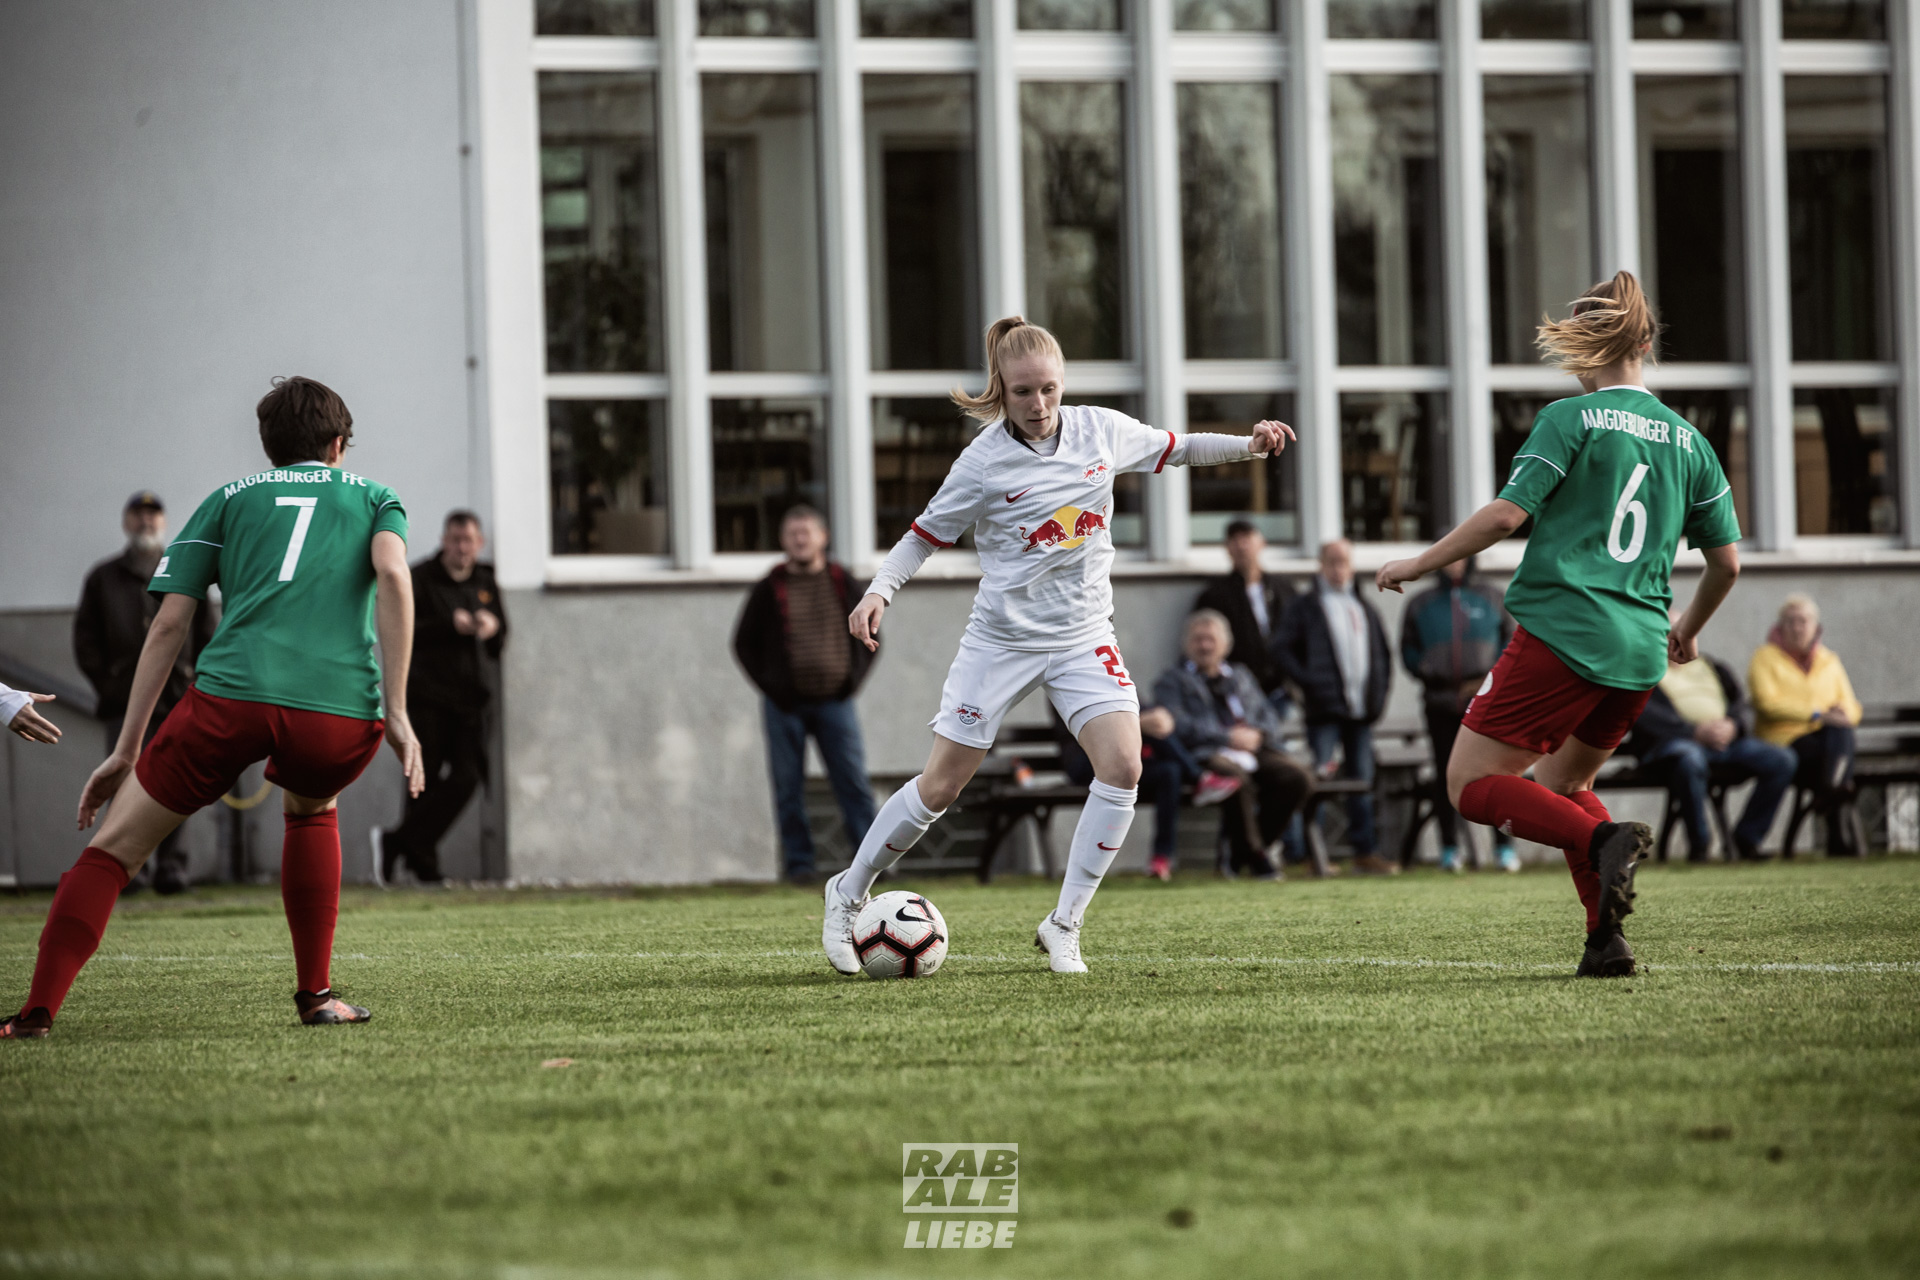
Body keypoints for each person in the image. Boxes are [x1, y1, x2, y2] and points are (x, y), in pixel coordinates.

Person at [824, 315, 1295, 974]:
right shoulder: (983, 461)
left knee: (1125, 767)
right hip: (1002, 640)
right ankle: (847, 893)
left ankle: (1064, 924)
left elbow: (1179, 447)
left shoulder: (1101, 430)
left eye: (1048, 389)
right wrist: (879, 591)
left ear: (1062, 383)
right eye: (1022, 392)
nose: (1038, 404)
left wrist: (1249, 445)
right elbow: (924, 535)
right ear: (1002, 391)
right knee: (940, 787)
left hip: (1082, 638)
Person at [2, 376, 425, 1040]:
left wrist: (125, 747)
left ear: (270, 448)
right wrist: (397, 711)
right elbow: (395, 576)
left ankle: (35, 1013)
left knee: (114, 849)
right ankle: (315, 995)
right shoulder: (376, 496)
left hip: (231, 697)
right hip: (337, 708)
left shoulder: (228, 499)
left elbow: (169, 625)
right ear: (339, 444)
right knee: (312, 812)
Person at [1376, 271, 1743, 979]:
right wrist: (1689, 629)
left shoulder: (1570, 420)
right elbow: (1726, 564)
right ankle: (1607, 942)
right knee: (1563, 784)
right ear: (1647, 344)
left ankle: (1605, 840)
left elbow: (1507, 515)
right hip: (1640, 652)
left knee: (1468, 783)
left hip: (1565, 631)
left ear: (1584, 349)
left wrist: (1420, 563)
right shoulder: (1690, 442)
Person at [73, 490, 216, 893]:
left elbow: (208, 630)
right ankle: (127, 866)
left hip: (177, 699)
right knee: (122, 780)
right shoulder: (103, 578)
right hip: (124, 702)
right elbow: (85, 640)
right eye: (138, 514)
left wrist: (196, 682)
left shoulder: (184, 568)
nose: (146, 521)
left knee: (175, 780)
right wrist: (111, 682)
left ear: (164, 522)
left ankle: (172, 867)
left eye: (154, 515)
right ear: (126, 522)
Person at [732, 505, 879, 883]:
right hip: (785, 708)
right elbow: (742, 643)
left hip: (836, 703)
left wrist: (852, 682)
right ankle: (799, 868)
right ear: (783, 541)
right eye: (792, 534)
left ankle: (871, 866)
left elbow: (870, 633)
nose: (800, 540)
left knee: (853, 785)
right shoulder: (770, 586)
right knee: (788, 789)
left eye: (806, 532)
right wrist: (772, 687)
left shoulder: (840, 580)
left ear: (822, 537)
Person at [373, 510, 508, 884]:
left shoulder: (486, 579)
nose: (461, 548)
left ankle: (399, 841)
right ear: (443, 540)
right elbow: (403, 629)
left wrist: (492, 626)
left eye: (468, 541)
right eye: (455, 540)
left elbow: (501, 634)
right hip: (428, 698)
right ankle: (423, 865)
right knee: (422, 781)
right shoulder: (420, 578)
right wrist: (451, 625)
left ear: (479, 544)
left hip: (473, 701)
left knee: (468, 777)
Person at [1153, 610, 1313, 879]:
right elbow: (1177, 725)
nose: (1205, 646)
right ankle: (1258, 858)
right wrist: (1226, 738)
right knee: (1234, 781)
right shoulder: (1172, 681)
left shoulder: (1240, 676)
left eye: (1211, 639)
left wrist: (1258, 735)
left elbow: (1267, 715)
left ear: (1226, 644)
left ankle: (1241, 852)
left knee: (1298, 778)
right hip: (1207, 752)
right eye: (1198, 640)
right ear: (1186, 644)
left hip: (1254, 749)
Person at [1273, 539, 1396, 875]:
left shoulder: (1363, 606)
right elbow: (1282, 649)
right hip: (1323, 713)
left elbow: (1383, 655)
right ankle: (1312, 854)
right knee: (1318, 782)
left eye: (1344, 562)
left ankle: (1365, 852)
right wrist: (1310, 683)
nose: (1338, 569)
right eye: (1332, 561)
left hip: (1360, 714)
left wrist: (1378, 697)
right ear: (1321, 566)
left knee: (1362, 782)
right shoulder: (1306, 606)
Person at [1627, 627, 1796, 862]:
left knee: (1782, 760)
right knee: (1689, 759)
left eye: (1683, 631)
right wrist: (1694, 732)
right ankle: (1700, 844)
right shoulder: (1645, 671)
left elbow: (1739, 704)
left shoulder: (1712, 666)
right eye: (1668, 632)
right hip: (1674, 746)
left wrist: (1733, 726)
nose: (1675, 638)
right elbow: (1646, 716)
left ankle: (1747, 839)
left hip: (1726, 744)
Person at [1398, 556, 1519, 872]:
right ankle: (1450, 848)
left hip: (1484, 699)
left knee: (1495, 772)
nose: (1454, 564)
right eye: (1448, 558)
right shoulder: (1420, 602)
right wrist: (1427, 669)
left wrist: (1491, 679)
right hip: (1439, 703)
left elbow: (1512, 641)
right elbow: (1408, 649)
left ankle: (1504, 848)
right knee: (1446, 775)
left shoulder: (1492, 596)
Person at [1051, 703, 1236, 883]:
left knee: (1170, 771)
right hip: (1086, 762)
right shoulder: (1067, 678)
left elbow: (1142, 707)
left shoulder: (1113, 675)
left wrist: (1160, 717)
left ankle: (1161, 858)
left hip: (1118, 761)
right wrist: (1140, 722)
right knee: (1149, 728)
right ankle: (1198, 777)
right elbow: (1091, 725)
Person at [1748, 594, 1863, 856]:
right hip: (1785, 741)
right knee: (1837, 744)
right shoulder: (1764, 658)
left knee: (1841, 730)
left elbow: (1852, 707)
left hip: (1826, 744)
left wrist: (1843, 715)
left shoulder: (1829, 660)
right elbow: (1767, 704)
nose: (1798, 627)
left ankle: (1830, 791)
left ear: (1815, 627)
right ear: (1781, 626)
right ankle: (1833, 795)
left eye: (1803, 621)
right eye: (1791, 621)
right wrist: (1817, 715)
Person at [1195, 520, 1296, 717]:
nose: (1241, 546)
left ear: (1261, 543)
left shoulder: (1282, 589)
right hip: (1237, 691)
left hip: (1282, 689)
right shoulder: (1215, 595)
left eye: (1247, 539)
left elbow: (1301, 633)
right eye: (1234, 540)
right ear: (1227, 548)